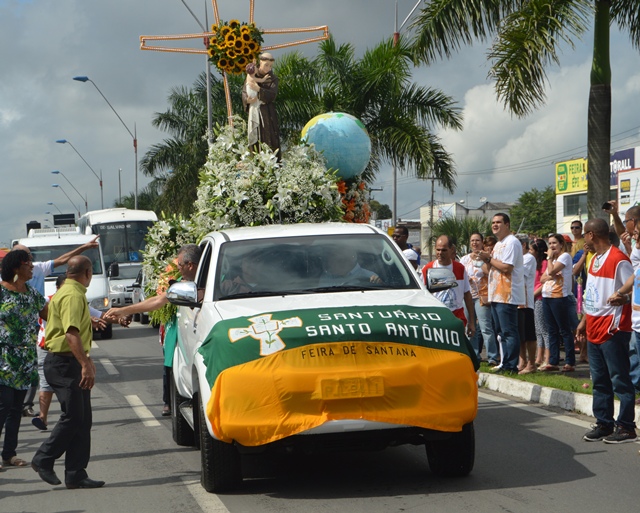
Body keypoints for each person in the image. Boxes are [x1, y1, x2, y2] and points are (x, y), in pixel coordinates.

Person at [32, 256, 105, 488]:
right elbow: (71, 334)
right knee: (73, 416)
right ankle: (43, 458)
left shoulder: (67, 292)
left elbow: (75, 330)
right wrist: (85, 364)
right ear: (87, 272)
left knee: (83, 420)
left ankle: (75, 473)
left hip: (67, 361)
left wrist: (86, 361)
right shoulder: (73, 295)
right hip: (64, 363)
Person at [105, 245, 202, 416]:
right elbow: (160, 300)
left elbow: (158, 301)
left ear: (190, 265)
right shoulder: (184, 283)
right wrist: (126, 310)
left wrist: (125, 310)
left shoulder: (217, 280)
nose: (177, 268)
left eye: (179, 265)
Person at [12, 237, 99, 418]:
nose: (31, 262)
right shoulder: (4, 286)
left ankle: (27, 405)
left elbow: (63, 259)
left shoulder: (38, 274)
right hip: (11, 339)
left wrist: (84, 247)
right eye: (26, 257)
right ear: (16, 262)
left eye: (30, 256)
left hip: (38, 328)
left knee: (35, 369)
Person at [576, 218, 637, 443]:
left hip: (613, 328)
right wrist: (583, 321)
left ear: (592, 235)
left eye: (584, 234)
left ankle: (627, 426)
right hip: (593, 327)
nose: (583, 238)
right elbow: (592, 294)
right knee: (600, 379)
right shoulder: (594, 260)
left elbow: (634, 287)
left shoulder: (619, 259)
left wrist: (624, 297)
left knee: (619, 378)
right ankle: (604, 423)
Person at [0, 250, 47, 471]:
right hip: (2, 358)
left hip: (25, 359)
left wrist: (91, 320)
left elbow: (53, 315)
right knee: (3, 405)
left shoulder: (32, 293)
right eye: (28, 263)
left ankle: (9, 453)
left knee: (16, 408)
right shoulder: (1, 292)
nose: (32, 267)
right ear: (16, 267)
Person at [476, 213, 524, 374]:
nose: (495, 225)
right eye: (493, 222)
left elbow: (506, 268)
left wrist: (488, 259)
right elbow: (490, 268)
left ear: (507, 225)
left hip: (507, 294)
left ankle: (511, 365)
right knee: (501, 332)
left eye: (498, 222)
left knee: (509, 331)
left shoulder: (512, 242)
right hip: (496, 294)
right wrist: (485, 259)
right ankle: (505, 363)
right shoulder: (498, 244)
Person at [422, 235, 475, 338]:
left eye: (444, 250)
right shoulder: (427, 269)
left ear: (452, 250)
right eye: (438, 250)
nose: (440, 253)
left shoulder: (460, 268)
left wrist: (471, 322)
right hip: (435, 319)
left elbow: (467, 295)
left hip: (456, 318)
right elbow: (421, 297)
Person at [539, 233, 577, 372]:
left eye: (554, 243)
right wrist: (551, 273)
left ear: (561, 244)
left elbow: (551, 271)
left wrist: (549, 260)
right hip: (547, 297)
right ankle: (553, 361)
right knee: (552, 330)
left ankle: (570, 361)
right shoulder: (553, 260)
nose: (551, 246)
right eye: (550, 243)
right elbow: (543, 278)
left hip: (559, 297)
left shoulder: (564, 257)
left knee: (564, 330)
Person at [460, 233, 497, 362]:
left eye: (477, 240)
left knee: (485, 327)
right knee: (469, 327)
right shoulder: (464, 259)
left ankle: (492, 356)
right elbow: (460, 276)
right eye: (472, 241)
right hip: (468, 297)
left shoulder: (487, 258)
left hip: (482, 296)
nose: (475, 243)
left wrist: (483, 259)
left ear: (482, 242)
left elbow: (489, 272)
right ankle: (473, 355)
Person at [242, 52, 280, 159]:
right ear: (260, 63)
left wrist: (259, 89)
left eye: (270, 66)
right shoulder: (252, 74)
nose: (268, 68)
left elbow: (272, 95)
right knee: (255, 140)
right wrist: (247, 100)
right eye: (266, 65)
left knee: (269, 140)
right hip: (254, 111)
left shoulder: (273, 79)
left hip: (267, 113)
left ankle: (270, 166)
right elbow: (244, 91)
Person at [517, 235, 537, 374]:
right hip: (515, 301)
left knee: (529, 334)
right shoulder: (518, 259)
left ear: (523, 245)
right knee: (519, 335)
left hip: (526, 302)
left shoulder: (528, 258)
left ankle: (531, 363)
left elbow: (518, 273)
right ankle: (522, 360)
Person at [530, 239, 550, 367]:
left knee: (544, 330)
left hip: (540, 298)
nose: (530, 252)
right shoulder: (535, 264)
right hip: (534, 298)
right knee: (537, 329)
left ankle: (547, 357)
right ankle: (539, 356)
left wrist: (534, 294)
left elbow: (544, 283)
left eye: (532, 250)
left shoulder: (544, 263)